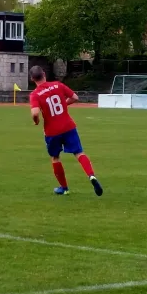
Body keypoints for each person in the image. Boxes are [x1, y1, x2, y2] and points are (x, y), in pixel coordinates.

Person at [29, 66, 103, 197]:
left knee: (55, 157)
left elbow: (35, 112)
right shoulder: (57, 85)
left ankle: (64, 188)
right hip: (68, 126)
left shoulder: (35, 94)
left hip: (52, 131)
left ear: (32, 79)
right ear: (44, 74)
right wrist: (64, 104)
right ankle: (91, 176)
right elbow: (75, 97)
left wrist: (36, 121)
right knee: (79, 153)